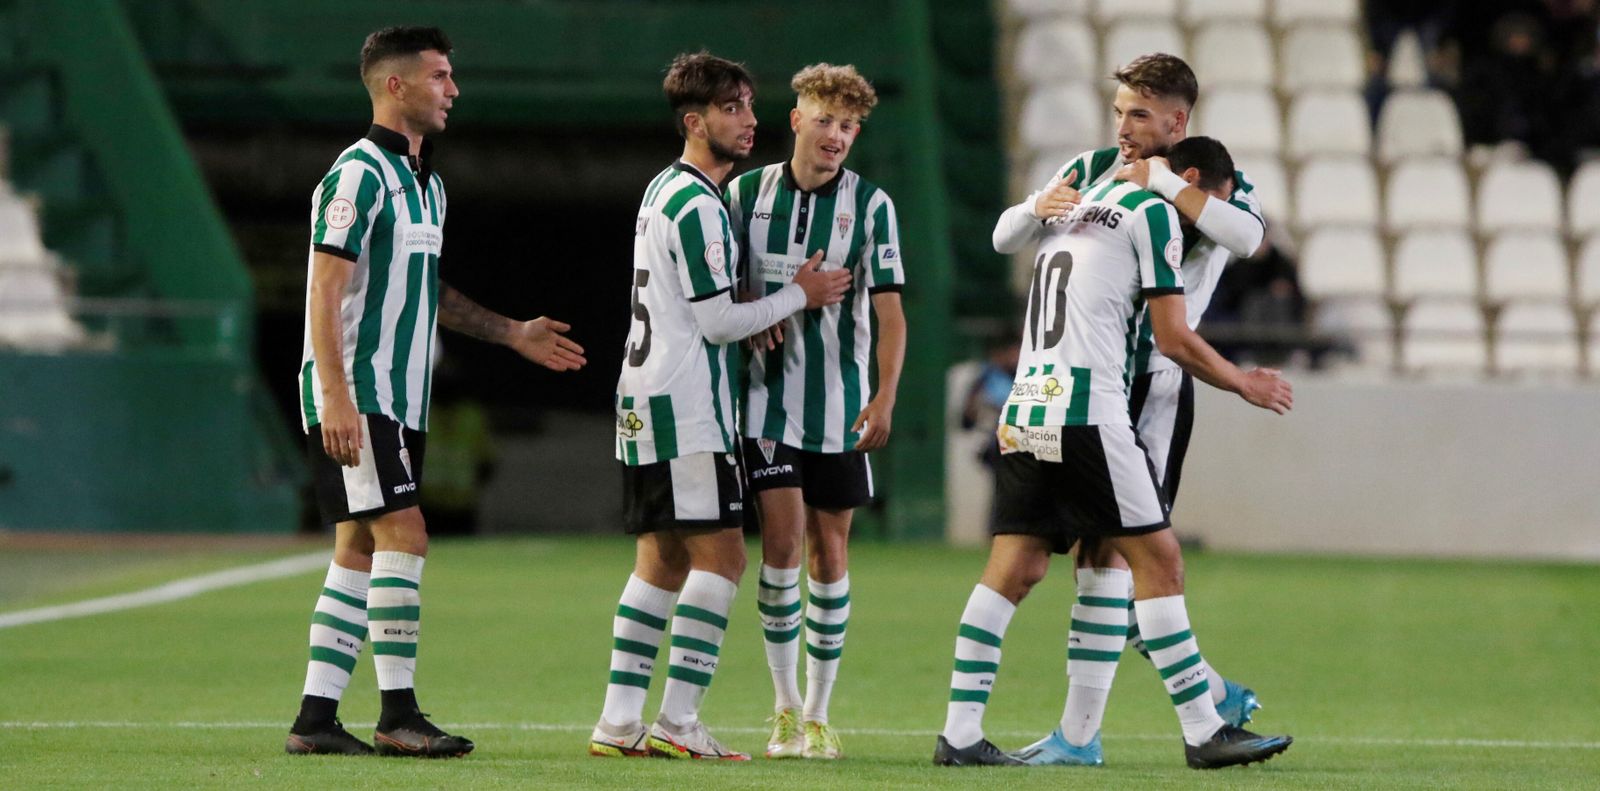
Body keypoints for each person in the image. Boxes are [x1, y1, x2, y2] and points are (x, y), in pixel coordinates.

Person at [934, 136, 1295, 770]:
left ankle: (960, 734)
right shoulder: (1155, 212)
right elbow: (1174, 337)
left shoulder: (1071, 205)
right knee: (1159, 559)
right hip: (1087, 411)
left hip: (1025, 405)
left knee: (1011, 569)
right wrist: (1243, 381)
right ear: (1184, 177)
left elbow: (1009, 236)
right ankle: (1204, 727)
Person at [286, 26, 587, 758]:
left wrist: (511, 332)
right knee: (405, 534)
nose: (453, 90)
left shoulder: (428, 184)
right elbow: (324, 290)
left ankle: (315, 720)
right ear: (396, 86)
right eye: (441, 76)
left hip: (398, 395)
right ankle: (398, 713)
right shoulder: (356, 174)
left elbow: (428, 290)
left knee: (358, 546)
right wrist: (336, 393)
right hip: (360, 391)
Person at [587, 51, 851, 762]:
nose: (749, 120)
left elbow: (703, 308)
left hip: (642, 398)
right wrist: (801, 292)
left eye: (749, 106)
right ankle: (678, 721)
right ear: (694, 121)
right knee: (726, 557)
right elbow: (714, 324)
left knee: (662, 560)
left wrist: (751, 305)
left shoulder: (661, 190)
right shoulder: (700, 203)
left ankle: (618, 722)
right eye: (733, 108)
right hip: (684, 406)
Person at [723, 62, 907, 761]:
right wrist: (753, 311)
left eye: (849, 126)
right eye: (825, 120)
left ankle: (823, 710)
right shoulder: (744, 194)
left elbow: (891, 314)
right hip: (766, 402)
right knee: (782, 543)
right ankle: (785, 707)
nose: (836, 136)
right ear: (796, 119)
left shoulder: (873, 205)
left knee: (832, 552)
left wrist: (885, 395)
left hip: (841, 406)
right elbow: (721, 289)